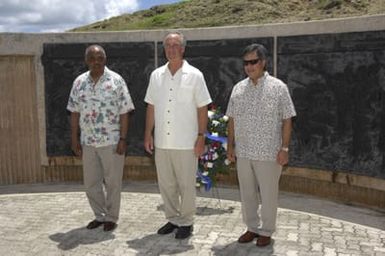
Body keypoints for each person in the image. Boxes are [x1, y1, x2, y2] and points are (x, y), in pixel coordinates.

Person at [226, 43, 296, 247]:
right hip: (244, 152)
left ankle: (266, 230)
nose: (249, 66)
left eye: (253, 62)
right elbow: (231, 120)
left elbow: (287, 119)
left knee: (268, 194)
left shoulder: (278, 88)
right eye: (246, 63)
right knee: (246, 193)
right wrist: (230, 147)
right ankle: (252, 228)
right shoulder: (238, 88)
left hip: (269, 153)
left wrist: (284, 149)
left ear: (263, 62)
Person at [144, 32, 212, 239]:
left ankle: (187, 221)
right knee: (166, 184)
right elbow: (151, 106)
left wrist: (201, 136)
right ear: (164, 49)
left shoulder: (195, 75)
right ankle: (172, 218)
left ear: (183, 49)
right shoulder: (156, 75)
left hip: (186, 142)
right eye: (168, 45)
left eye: (176, 45)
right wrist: (148, 133)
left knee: (186, 185)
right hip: (163, 142)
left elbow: (203, 108)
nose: (171, 48)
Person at [67, 44, 135, 232]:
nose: (96, 62)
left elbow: (125, 111)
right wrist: (74, 139)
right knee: (91, 183)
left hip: (112, 142)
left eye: (99, 58)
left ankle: (111, 217)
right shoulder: (79, 82)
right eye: (92, 58)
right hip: (88, 142)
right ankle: (99, 215)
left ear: (105, 59)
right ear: (86, 60)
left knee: (113, 182)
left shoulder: (116, 81)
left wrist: (123, 138)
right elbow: (73, 112)